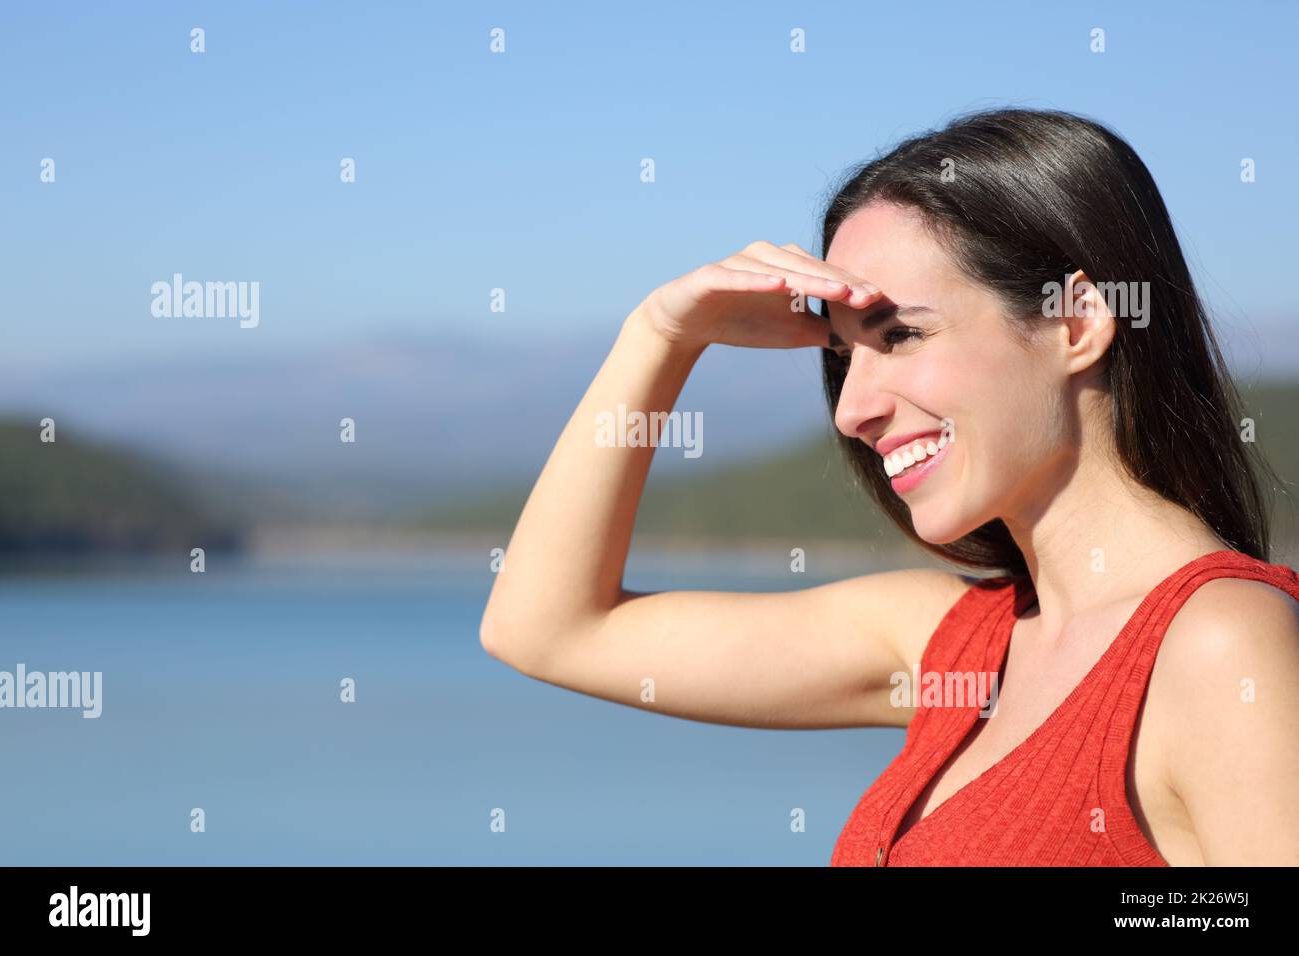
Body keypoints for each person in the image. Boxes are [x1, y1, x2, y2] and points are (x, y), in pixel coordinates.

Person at [479, 107, 1299, 866]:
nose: (852, 411)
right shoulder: (951, 645)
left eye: (900, 335)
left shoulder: (1221, 646)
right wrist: (663, 333)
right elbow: (545, 628)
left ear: (1076, 323)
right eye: (841, 357)